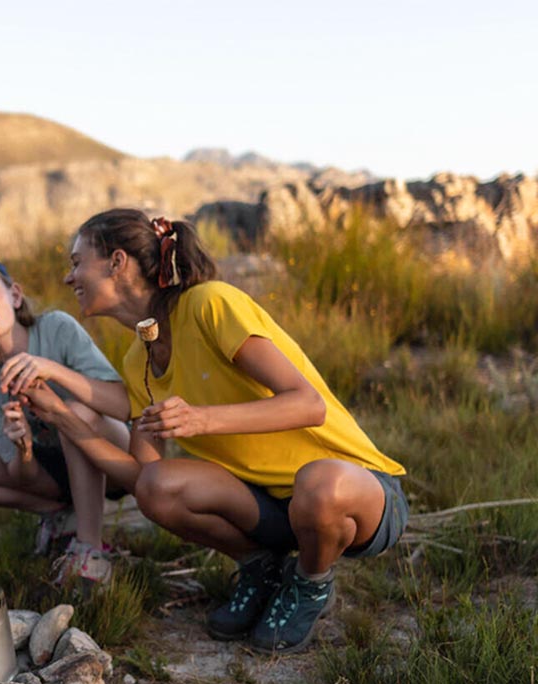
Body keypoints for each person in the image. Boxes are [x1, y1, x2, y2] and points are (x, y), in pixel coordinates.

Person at [21, 208, 409, 653]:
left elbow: (308, 404)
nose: (70, 277)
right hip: (270, 510)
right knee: (159, 485)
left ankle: (311, 582)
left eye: (76, 262)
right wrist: (59, 414)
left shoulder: (210, 304)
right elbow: (142, 481)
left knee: (318, 482)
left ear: (117, 262)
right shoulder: (138, 360)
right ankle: (261, 569)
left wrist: (202, 418)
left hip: (358, 495)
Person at [0, 253, 131, 587]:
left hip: (111, 456)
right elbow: (21, 475)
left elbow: (123, 406)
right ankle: (61, 514)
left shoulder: (57, 328)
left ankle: (90, 549)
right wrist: (22, 447)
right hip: (56, 470)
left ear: (15, 295)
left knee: (76, 414)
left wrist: (53, 371)